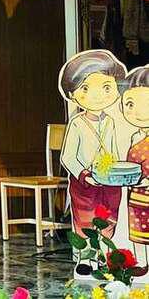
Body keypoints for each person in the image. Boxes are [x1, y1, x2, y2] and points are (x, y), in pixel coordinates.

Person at [59, 49, 127, 239]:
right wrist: (84, 176)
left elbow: (113, 152)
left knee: (108, 222)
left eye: (106, 87)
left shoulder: (110, 121)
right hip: (85, 186)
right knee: (85, 225)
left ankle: (105, 254)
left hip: (109, 183)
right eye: (86, 88)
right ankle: (86, 255)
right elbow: (68, 157)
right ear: (72, 94)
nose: (97, 96)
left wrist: (117, 172)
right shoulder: (77, 123)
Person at [121, 67, 149, 262]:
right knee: (138, 231)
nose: (136, 112)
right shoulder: (135, 137)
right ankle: (141, 263)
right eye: (130, 104)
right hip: (136, 195)